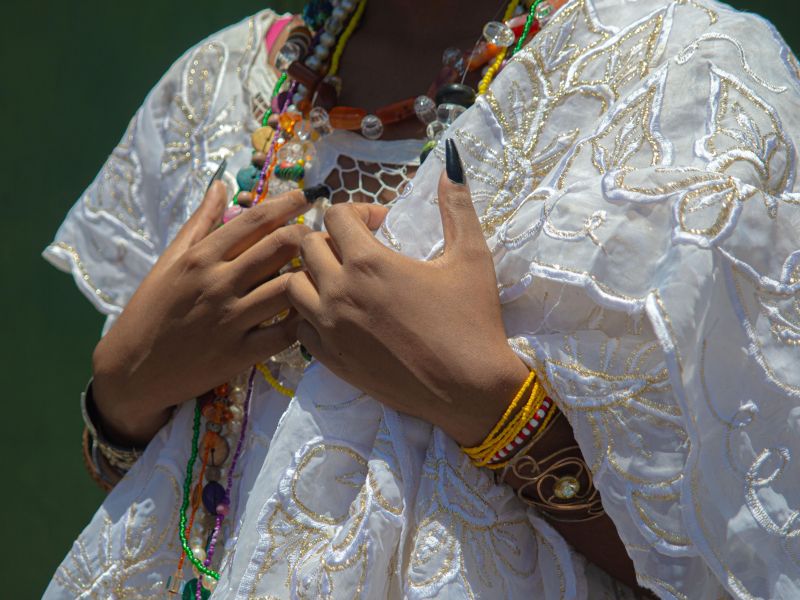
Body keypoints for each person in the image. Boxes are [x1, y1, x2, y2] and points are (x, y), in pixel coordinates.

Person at [43, 0, 800, 597]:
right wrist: (121, 396)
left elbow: (758, 555)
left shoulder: (691, 79)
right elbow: (183, 489)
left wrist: (494, 408)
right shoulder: (220, 86)